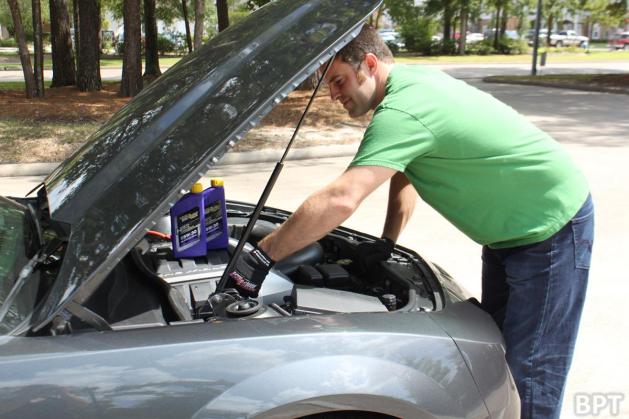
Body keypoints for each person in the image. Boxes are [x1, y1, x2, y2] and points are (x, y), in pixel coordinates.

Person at [226, 25, 594, 419]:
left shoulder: (403, 109)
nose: (332, 94)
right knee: (498, 351)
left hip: (551, 228)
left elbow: (342, 197)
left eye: (338, 80)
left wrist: (260, 259)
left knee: (532, 371)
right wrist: (386, 241)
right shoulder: (409, 87)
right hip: (510, 234)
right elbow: (405, 172)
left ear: (369, 64)